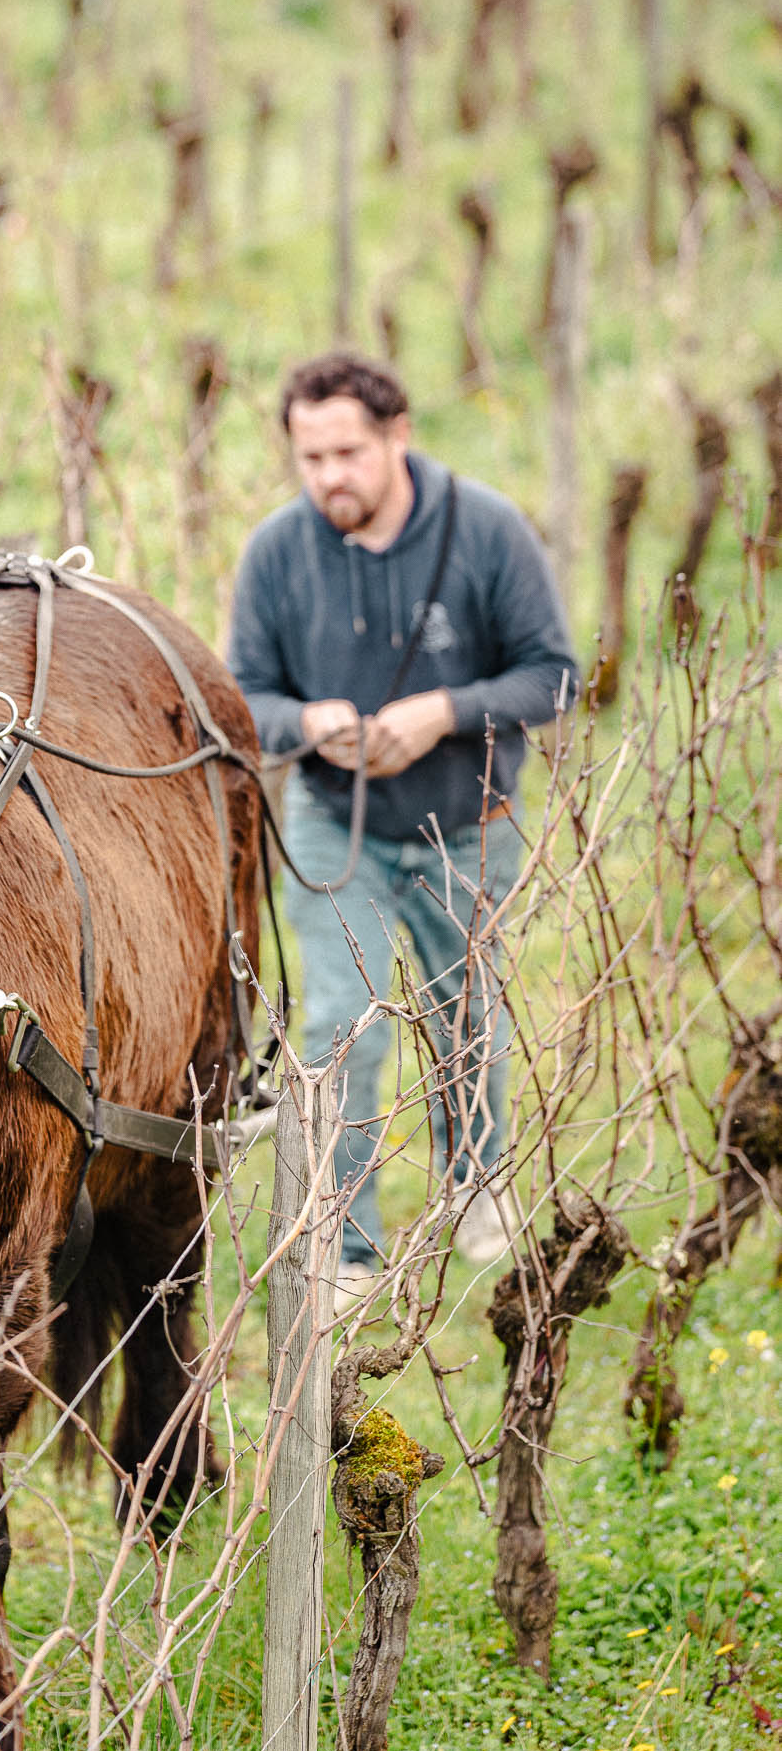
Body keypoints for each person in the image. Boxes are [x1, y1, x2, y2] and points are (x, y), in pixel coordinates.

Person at [228, 350, 579, 1299]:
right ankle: (344, 1247)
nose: (329, 477)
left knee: (467, 1015)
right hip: (331, 826)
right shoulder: (275, 553)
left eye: (346, 452)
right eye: (310, 459)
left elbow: (553, 673)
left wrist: (441, 711)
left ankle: (476, 1182)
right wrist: (309, 725)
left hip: (467, 823)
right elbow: (241, 699)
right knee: (342, 1028)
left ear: (398, 435)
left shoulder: (487, 531)